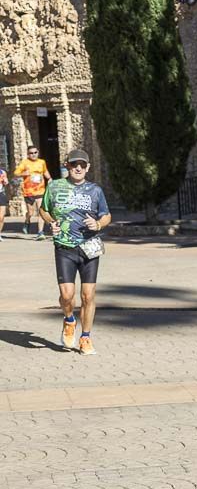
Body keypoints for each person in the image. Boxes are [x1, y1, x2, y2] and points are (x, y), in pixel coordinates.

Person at [40, 149, 111, 356]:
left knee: (88, 296)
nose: (78, 168)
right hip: (64, 247)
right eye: (74, 164)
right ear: (67, 166)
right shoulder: (54, 187)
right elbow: (44, 209)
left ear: (87, 167)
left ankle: (86, 337)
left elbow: (106, 215)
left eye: (82, 164)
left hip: (89, 248)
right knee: (67, 295)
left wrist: (98, 224)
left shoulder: (95, 190)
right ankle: (69, 320)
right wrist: (51, 222)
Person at [14, 145, 51, 240]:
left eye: (35, 152)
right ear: (28, 154)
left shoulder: (42, 162)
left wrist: (50, 179)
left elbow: (45, 171)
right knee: (30, 212)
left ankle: (40, 232)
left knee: (41, 211)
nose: (33, 154)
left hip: (40, 190)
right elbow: (16, 173)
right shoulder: (25, 163)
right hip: (28, 192)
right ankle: (27, 221)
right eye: (31, 153)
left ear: (38, 153)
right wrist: (23, 174)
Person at [0, 165, 8, 241]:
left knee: (1, 217)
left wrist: (5, 181)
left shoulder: (2, 172)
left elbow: (6, 182)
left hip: (1, 194)